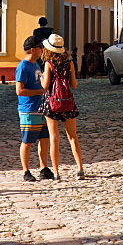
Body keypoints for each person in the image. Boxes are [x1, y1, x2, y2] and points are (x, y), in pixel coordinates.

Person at [39, 34, 84, 180]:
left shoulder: (48, 63)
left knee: (54, 137)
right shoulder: (69, 63)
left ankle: (57, 172)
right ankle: (80, 169)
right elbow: (74, 84)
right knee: (72, 137)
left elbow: (45, 86)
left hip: (52, 103)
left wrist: (41, 79)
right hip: (67, 102)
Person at [15, 37, 53, 182]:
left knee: (44, 138)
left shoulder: (36, 64)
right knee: (27, 141)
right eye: (40, 47)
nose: (42, 50)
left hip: (41, 108)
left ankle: (44, 167)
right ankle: (26, 170)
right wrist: (39, 92)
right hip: (28, 109)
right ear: (32, 49)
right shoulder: (23, 67)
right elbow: (19, 90)